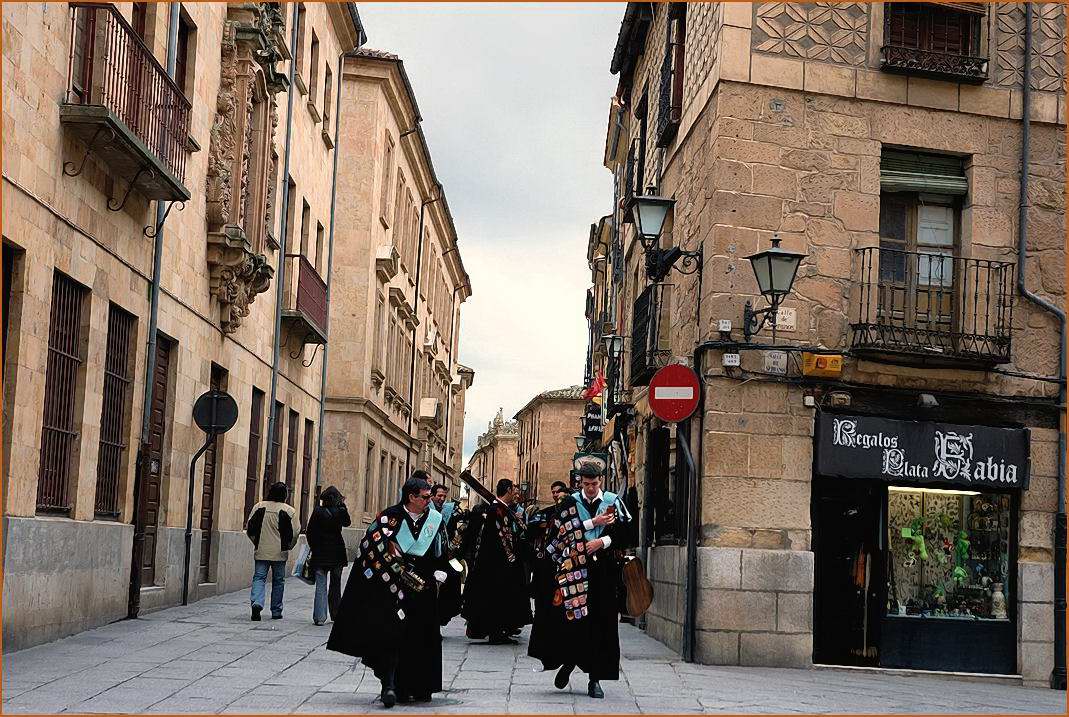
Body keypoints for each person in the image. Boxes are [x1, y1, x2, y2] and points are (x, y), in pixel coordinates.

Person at [327, 476, 448, 708]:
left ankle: (420, 686)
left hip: (423, 588)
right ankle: (391, 685)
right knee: (392, 636)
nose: (429, 501)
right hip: (393, 589)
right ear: (411, 497)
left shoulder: (434, 520)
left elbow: (441, 550)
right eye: (425, 497)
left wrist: (441, 572)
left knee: (422, 636)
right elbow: (369, 548)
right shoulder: (388, 518)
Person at [536, 463, 631, 699]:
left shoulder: (612, 502)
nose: (590, 488)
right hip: (575, 571)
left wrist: (602, 542)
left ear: (601, 481)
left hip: (604, 572)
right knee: (574, 621)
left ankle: (595, 679)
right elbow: (559, 533)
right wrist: (593, 523)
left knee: (601, 623)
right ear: (580, 482)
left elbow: (626, 534)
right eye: (586, 484)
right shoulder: (570, 503)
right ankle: (568, 663)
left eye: (594, 484)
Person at [461, 478, 531, 644]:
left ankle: (499, 629)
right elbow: (501, 538)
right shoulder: (496, 510)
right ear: (508, 490)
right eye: (514, 489)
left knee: (499, 597)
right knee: (496, 597)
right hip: (497, 564)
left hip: (497, 563)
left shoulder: (502, 509)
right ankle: (496, 632)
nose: (516, 493)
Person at [527, 480, 571, 668]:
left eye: (558, 492)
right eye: (553, 492)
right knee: (544, 608)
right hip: (545, 569)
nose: (555, 496)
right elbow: (531, 530)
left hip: (564, 568)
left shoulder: (572, 514)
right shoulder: (546, 513)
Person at [245, 482, 298, 621]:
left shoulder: (259, 506)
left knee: (259, 577)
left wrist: (256, 542)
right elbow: (295, 533)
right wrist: (289, 546)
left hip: (262, 550)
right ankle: (276, 610)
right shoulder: (289, 511)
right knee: (278, 581)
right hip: (280, 552)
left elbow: (250, 527)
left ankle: (257, 602)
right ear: (285, 495)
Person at [306, 485, 351, 626]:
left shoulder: (318, 511)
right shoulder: (340, 511)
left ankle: (320, 617)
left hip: (320, 553)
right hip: (337, 553)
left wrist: (314, 547)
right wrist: (343, 506)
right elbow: (347, 522)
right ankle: (335, 614)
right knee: (335, 585)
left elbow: (309, 532)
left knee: (321, 584)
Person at [429, 482, 465, 626]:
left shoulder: (446, 512)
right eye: (439, 496)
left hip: (444, 555)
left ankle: (441, 616)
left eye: (444, 496)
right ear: (432, 496)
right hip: (431, 557)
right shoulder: (428, 511)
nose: (442, 499)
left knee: (452, 579)